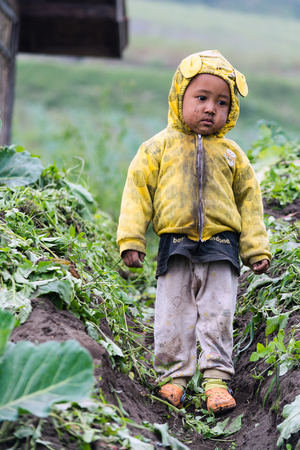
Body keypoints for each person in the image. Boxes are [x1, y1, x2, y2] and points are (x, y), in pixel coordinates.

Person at [117, 50, 271, 414]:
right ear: (179, 97)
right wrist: (132, 239)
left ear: (230, 110)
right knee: (174, 313)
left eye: (221, 102)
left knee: (218, 313)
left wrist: (256, 248)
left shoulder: (233, 155)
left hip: (222, 246)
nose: (210, 109)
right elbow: (137, 193)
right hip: (176, 244)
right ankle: (174, 377)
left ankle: (216, 380)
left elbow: (250, 205)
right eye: (201, 98)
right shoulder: (157, 148)